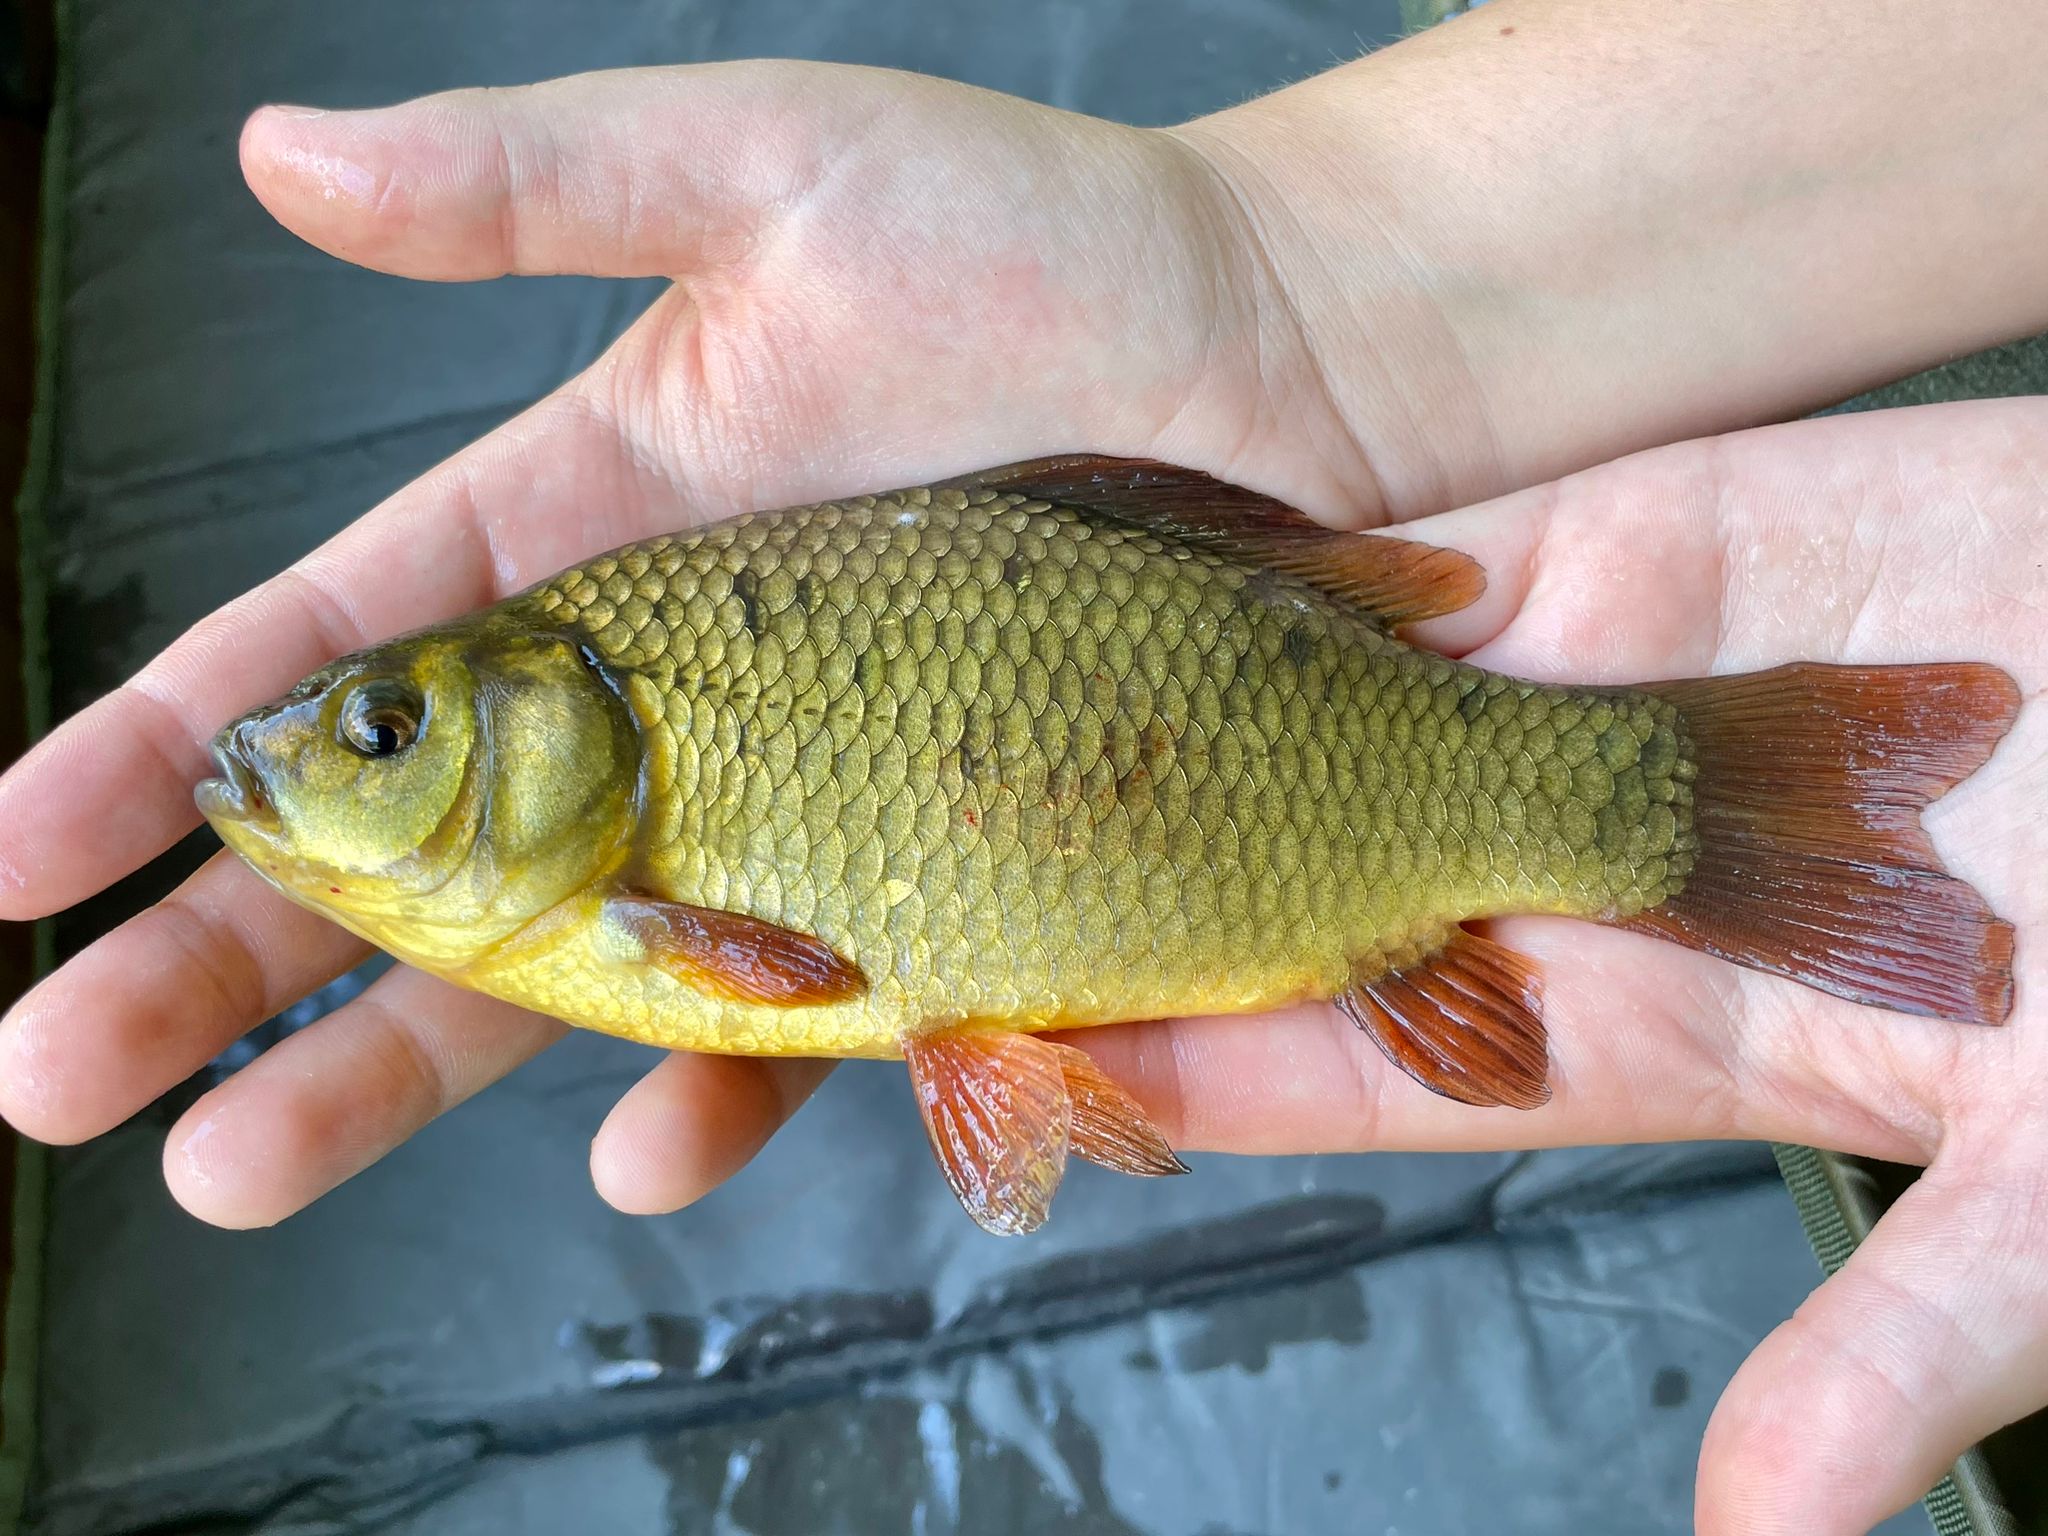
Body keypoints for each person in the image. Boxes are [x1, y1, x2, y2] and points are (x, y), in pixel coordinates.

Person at [1, 2, 2044, 1529]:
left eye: (386, 726)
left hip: (1276, 736)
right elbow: (799, 989)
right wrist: (1301, 260)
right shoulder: (623, 793)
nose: (326, 758)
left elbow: (787, 985)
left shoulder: (622, 857)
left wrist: (1299, 274)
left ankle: (1689, 807)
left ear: (542, 709)